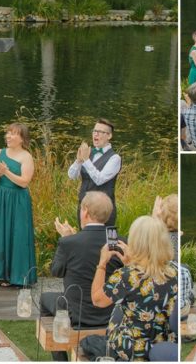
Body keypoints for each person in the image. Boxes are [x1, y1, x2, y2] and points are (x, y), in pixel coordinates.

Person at [41, 192, 121, 361]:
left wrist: (66, 239)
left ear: (85, 211)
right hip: (110, 313)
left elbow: (57, 272)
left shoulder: (69, 242)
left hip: (76, 315)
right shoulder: (118, 241)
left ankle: (60, 356)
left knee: (44, 298)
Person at [86, 216, 177, 361]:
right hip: (165, 343)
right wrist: (130, 264)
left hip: (134, 350)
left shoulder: (127, 276)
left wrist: (102, 263)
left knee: (117, 305)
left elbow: (97, 300)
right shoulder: (174, 271)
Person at [0, 123, 36, 287]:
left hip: (18, 200)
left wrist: (6, 172)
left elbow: (24, 182)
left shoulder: (26, 157)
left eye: (13, 134)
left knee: (17, 234)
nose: (8, 136)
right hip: (1, 198)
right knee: (1, 232)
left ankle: (17, 275)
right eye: (8, 133)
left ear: (22, 139)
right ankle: (1, 274)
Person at [68, 119, 120, 227]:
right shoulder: (89, 153)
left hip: (103, 211)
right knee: (85, 241)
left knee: (106, 243)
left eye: (100, 132)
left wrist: (86, 160)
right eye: (94, 131)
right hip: (84, 209)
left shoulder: (115, 158)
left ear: (109, 136)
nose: (95, 134)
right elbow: (72, 176)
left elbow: (99, 180)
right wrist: (78, 161)